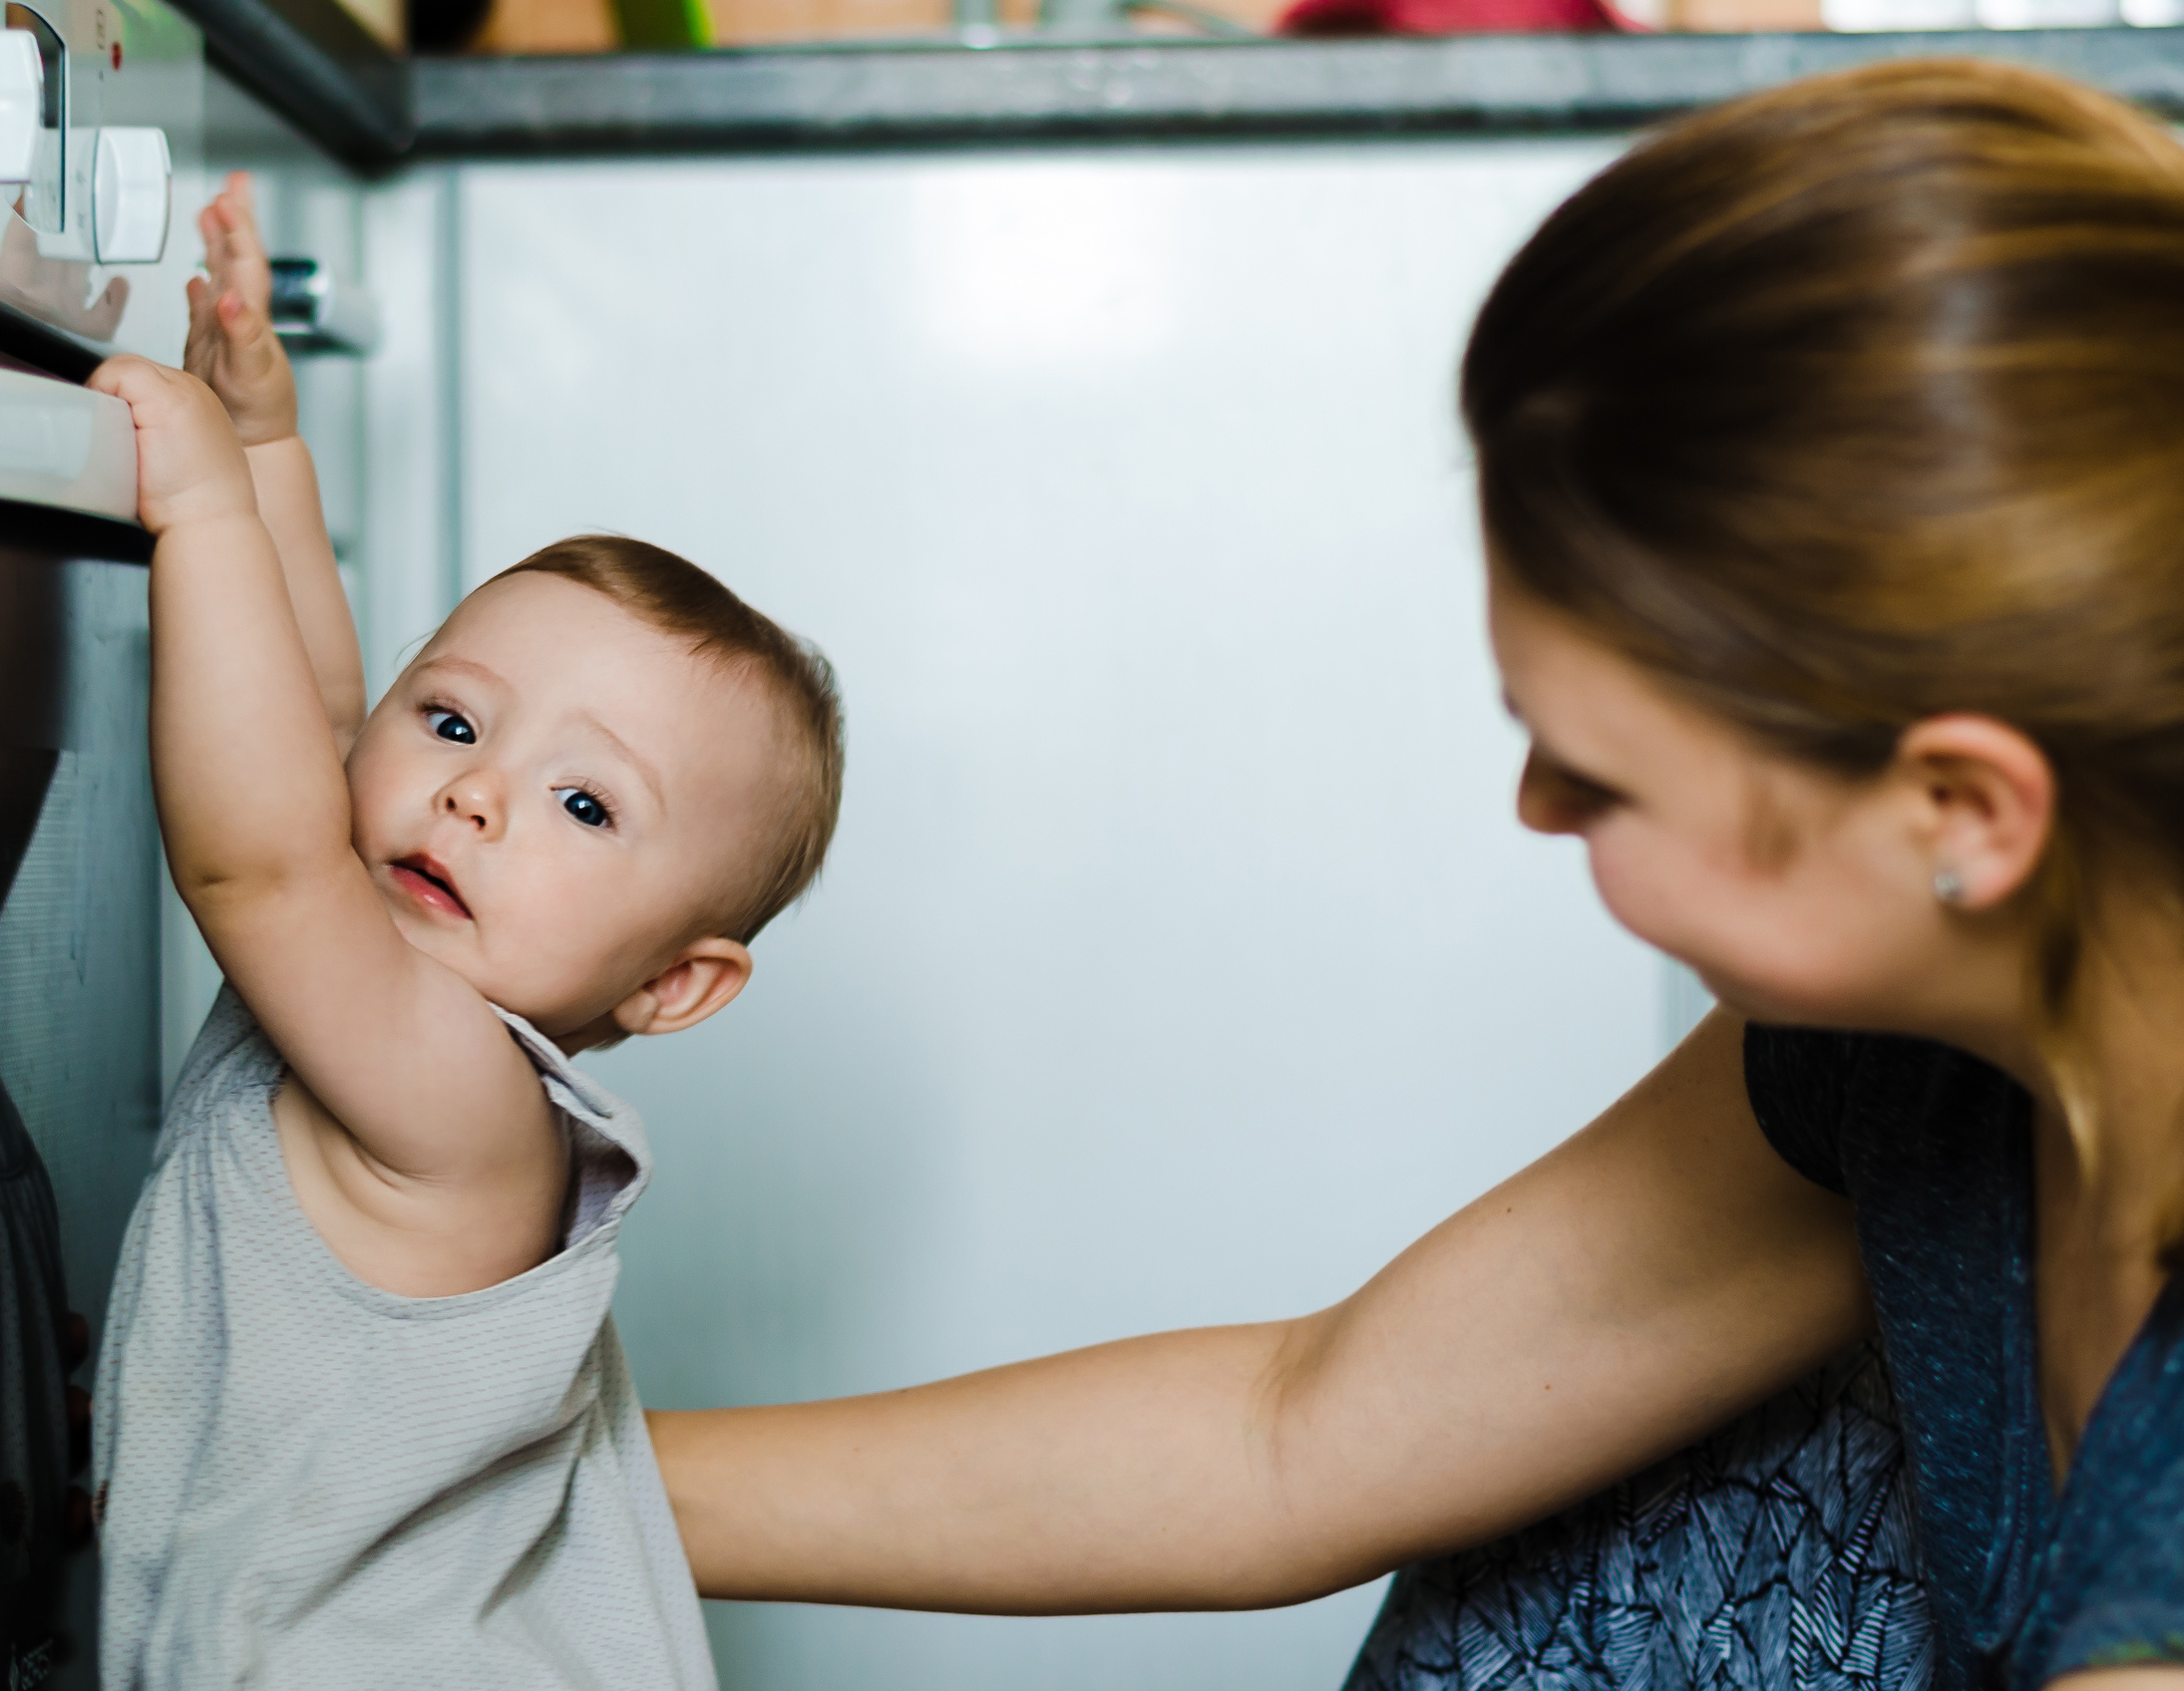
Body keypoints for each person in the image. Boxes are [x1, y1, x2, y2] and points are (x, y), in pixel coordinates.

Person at [646, 58, 2184, 1691]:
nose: (1533, 804)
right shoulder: (1936, 1039)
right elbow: (1296, 1435)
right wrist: (463, 1479)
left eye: (1597, 771)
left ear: (1959, 812)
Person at [83, 180, 844, 1689]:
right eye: (450, 720)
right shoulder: (385, 967)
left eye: (582, 804)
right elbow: (300, 731)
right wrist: (268, 452)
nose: (478, 795)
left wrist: (205, 513)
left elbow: (260, 863)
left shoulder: (467, 1101)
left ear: (672, 983)